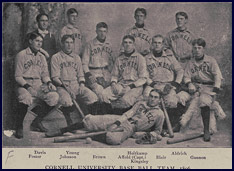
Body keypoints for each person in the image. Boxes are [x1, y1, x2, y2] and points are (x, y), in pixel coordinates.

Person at [46, 89, 164, 145]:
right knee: (91, 120)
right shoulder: (141, 103)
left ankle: (78, 136)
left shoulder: (159, 114)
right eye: (151, 96)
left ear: (159, 100)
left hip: (131, 128)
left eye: (155, 97)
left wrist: (150, 135)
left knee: (114, 140)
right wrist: (116, 123)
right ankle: (61, 130)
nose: (152, 99)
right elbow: (128, 114)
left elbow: (158, 131)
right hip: (121, 119)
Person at [14, 32, 59, 138]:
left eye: (41, 41)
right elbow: (17, 76)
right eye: (37, 41)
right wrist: (27, 87)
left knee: (54, 97)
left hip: (38, 85)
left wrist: (49, 83)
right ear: (30, 41)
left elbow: (45, 75)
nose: (39, 44)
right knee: (25, 97)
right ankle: (19, 126)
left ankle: (37, 121)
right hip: (24, 84)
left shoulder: (42, 57)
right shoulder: (21, 55)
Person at [144, 34, 190, 133]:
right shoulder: (147, 58)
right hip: (153, 84)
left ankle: (167, 126)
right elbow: (144, 75)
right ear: (152, 44)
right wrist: (152, 84)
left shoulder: (169, 56)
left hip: (167, 84)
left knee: (171, 101)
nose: (157, 45)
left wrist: (176, 84)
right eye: (155, 43)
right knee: (147, 98)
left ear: (163, 45)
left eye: (159, 43)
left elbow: (180, 70)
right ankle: (150, 125)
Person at [51, 35, 98, 126]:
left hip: (75, 85)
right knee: (67, 101)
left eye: (71, 42)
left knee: (92, 97)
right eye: (67, 42)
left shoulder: (77, 57)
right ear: (62, 44)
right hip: (62, 86)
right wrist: (67, 90)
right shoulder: (56, 57)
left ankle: (91, 121)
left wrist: (81, 84)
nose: (69, 45)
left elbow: (80, 74)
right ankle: (70, 122)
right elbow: (55, 77)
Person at [183, 38, 223, 141]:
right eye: (195, 48)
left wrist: (215, 90)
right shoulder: (191, 62)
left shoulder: (211, 60)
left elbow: (217, 76)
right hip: (195, 87)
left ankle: (206, 130)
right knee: (180, 97)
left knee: (204, 101)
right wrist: (189, 83)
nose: (196, 50)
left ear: (203, 49)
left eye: (199, 48)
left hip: (208, 87)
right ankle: (180, 125)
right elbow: (186, 76)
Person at [102, 35, 148, 111]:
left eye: (130, 42)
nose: (127, 44)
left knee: (125, 100)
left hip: (135, 86)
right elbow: (114, 75)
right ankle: (111, 115)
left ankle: (121, 118)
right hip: (122, 84)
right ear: (123, 44)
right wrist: (113, 84)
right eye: (125, 42)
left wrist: (130, 86)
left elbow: (143, 78)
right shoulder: (119, 59)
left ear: (134, 45)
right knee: (104, 94)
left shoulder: (140, 58)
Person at [82, 22, 114, 113]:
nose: (102, 33)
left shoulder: (109, 45)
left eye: (104, 31)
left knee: (111, 92)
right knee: (100, 92)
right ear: (96, 31)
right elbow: (84, 63)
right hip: (93, 73)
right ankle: (103, 115)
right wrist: (89, 75)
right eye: (100, 31)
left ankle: (108, 114)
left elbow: (114, 62)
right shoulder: (90, 45)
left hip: (106, 73)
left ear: (107, 32)